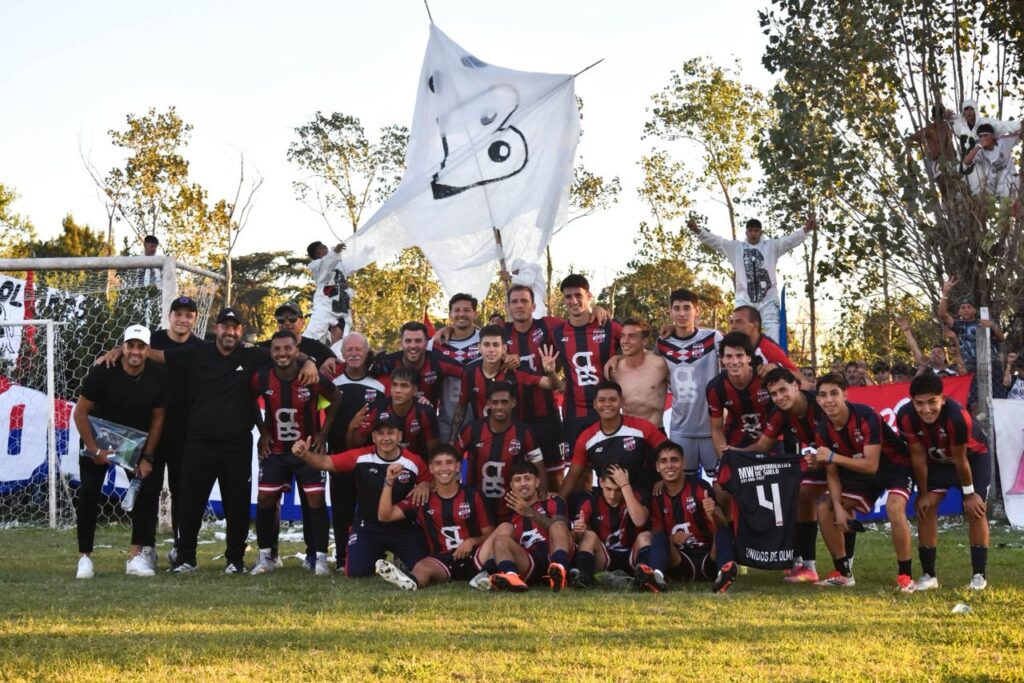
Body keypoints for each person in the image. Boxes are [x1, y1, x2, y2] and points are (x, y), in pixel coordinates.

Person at [135, 307, 319, 574]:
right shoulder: (197, 352)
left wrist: (310, 361)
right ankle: (186, 557)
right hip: (198, 442)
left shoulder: (251, 354)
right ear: (216, 328)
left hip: (236, 444)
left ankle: (235, 560)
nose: (230, 331)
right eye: (225, 326)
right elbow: (160, 356)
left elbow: (285, 352)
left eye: (235, 327)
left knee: (237, 504)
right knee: (190, 501)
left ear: (241, 331)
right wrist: (124, 351)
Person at [73, 325, 168, 579]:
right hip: (97, 440)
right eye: (130, 345)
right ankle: (84, 559)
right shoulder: (103, 371)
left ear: (148, 350)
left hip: (133, 445)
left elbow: (159, 419)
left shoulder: (158, 375)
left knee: (145, 493)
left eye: (141, 346)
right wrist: (94, 451)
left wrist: (147, 457)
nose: (135, 351)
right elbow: (79, 413)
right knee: (89, 494)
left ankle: (135, 557)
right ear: (122, 348)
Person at [291, 414, 431, 577]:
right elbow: (325, 462)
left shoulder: (414, 462)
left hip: (403, 527)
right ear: (373, 437)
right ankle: (375, 554)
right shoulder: (360, 457)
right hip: (368, 527)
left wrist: (425, 484)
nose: (385, 438)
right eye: (380, 433)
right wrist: (304, 455)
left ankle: (401, 557)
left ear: (399, 435)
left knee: (423, 566)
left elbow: (431, 482)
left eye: (390, 433)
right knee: (356, 573)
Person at [250, 331, 341, 577]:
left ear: (296, 350)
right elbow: (249, 400)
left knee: (315, 501)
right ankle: (267, 557)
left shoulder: (311, 376)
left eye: (287, 349)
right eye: (277, 349)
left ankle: (319, 559)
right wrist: (263, 431)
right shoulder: (261, 377)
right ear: (270, 351)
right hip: (276, 451)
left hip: (307, 452)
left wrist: (323, 434)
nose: (282, 354)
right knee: (266, 499)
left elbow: (336, 398)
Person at [812, 373, 915, 591]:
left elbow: (871, 465)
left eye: (834, 393)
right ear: (818, 400)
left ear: (845, 395)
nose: (828, 400)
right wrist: (839, 508)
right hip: (860, 473)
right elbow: (832, 474)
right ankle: (843, 572)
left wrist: (832, 456)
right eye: (822, 395)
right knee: (824, 506)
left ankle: (905, 575)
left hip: (895, 467)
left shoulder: (866, 415)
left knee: (894, 508)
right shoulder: (822, 429)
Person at [898, 374, 991, 591]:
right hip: (937, 462)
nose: (926, 409)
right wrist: (922, 493)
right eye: (919, 403)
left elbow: (961, 459)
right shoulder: (905, 416)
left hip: (972, 460)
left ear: (943, 398)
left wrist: (969, 494)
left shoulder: (957, 416)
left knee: (976, 511)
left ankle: (979, 575)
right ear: (912, 402)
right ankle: (929, 575)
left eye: (932, 401)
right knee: (926, 507)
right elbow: (918, 456)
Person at [747, 367, 829, 583]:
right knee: (800, 494)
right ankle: (807, 565)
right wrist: (734, 453)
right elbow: (763, 446)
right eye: (774, 394)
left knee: (837, 505)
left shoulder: (821, 404)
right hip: (824, 460)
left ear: (796, 385)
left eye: (783, 390)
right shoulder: (779, 413)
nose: (779, 397)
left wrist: (825, 458)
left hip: (846, 457)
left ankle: (844, 568)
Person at [374, 444, 494, 590]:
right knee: (422, 565)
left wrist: (471, 541)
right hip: (443, 561)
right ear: (431, 468)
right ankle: (410, 581)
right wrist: (389, 481)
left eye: (449, 463)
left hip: (475, 556)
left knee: (496, 544)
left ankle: (488, 577)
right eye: (438, 463)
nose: (444, 468)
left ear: (458, 467)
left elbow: (489, 532)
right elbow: (384, 516)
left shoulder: (473, 495)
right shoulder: (422, 497)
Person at [688, 214, 815, 342]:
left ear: (761, 232)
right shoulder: (736, 248)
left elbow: (789, 241)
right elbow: (715, 241)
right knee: (742, 329)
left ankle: (772, 360)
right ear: (746, 232)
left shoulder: (772, 246)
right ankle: (744, 359)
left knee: (772, 328)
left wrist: (805, 229)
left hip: (768, 300)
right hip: (744, 300)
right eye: (750, 230)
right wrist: (698, 231)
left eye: (756, 230)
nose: (753, 234)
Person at [148, 296, 202, 567]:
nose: (183, 319)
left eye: (188, 315)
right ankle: (146, 548)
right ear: (169, 316)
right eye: (178, 314)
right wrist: (113, 352)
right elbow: (130, 354)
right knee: (149, 489)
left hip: (186, 433)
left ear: (195, 319)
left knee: (184, 492)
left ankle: (182, 549)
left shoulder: (201, 348)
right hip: (153, 430)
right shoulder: (152, 340)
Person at [327, 332, 387, 570]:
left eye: (358, 350)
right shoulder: (332, 385)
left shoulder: (379, 386)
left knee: (371, 509)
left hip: (370, 459)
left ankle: (375, 557)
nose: (353, 354)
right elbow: (323, 416)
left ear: (366, 352)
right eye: (349, 350)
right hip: (340, 457)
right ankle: (342, 558)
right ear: (342, 354)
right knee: (341, 509)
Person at [503, 284, 570, 489]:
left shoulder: (548, 325)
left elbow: (580, 323)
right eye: (514, 301)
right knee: (515, 478)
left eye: (524, 301)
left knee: (554, 479)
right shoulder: (500, 333)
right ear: (507, 307)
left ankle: (556, 516)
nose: (519, 305)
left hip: (546, 417)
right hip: (513, 419)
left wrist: (595, 311)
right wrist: (448, 329)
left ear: (533, 306)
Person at [474, 459, 574, 592]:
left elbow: (563, 529)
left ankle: (559, 572)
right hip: (528, 561)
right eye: (517, 480)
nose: (523, 484)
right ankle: (512, 576)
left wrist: (530, 513)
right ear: (511, 485)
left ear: (537, 482)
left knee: (558, 525)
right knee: (501, 539)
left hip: (553, 554)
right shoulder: (509, 512)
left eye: (527, 478)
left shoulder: (553, 501)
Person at [448, 324, 562, 439]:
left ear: (504, 348)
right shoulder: (470, 373)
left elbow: (554, 386)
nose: (491, 350)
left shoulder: (517, 371)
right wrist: (452, 440)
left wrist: (551, 373)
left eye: (496, 345)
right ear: (479, 347)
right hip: (481, 440)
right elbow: (461, 409)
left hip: (515, 441)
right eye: (487, 345)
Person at [551, 274, 623, 456]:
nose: (573, 301)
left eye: (578, 295)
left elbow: (639, 348)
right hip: (574, 411)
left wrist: (619, 358)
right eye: (568, 297)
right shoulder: (557, 332)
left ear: (589, 296)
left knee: (611, 464)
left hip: (607, 407)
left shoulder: (608, 325)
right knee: (579, 468)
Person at [655, 288, 723, 478]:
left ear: (697, 311)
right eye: (677, 308)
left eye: (687, 308)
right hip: (681, 429)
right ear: (671, 312)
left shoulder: (713, 338)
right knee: (684, 488)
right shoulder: (662, 343)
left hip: (712, 429)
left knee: (722, 487)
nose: (682, 313)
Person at [560, 381, 666, 499]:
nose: (607, 404)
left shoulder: (642, 427)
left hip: (640, 497)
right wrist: (558, 504)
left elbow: (670, 451)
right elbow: (572, 476)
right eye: (602, 400)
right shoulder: (586, 437)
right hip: (607, 500)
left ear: (621, 402)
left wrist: (662, 479)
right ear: (595, 404)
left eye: (612, 399)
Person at [634, 442, 718, 593]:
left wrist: (714, 514)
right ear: (657, 467)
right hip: (680, 562)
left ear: (683, 462)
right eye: (664, 461)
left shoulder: (700, 487)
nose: (669, 465)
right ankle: (656, 577)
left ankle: (725, 572)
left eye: (674, 460)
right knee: (658, 536)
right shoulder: (656, 495)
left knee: (723, 530)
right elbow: (657, 533)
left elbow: (719, 525)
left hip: (708, 559)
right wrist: (672, 538)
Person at [457, 382, 544, 523]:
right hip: (476, 507)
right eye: (495, 402)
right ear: (488, 404)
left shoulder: (524, 432)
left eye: (504, 402)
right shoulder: (472, 429)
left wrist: (542, 495)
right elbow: (452, 457)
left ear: (513, 403)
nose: (499, 407)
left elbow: (538, 464)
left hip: (512, 509)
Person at [570, 464, 651, 588]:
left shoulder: (637, 495)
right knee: (588, 535)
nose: (612, 495)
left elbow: (640, 521)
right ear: (600, 482)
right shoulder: (590, 501)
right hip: (605, 557)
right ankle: (583, 578)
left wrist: (625, 486)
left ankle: (644, 580)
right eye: (608, 489)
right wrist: (577, 531)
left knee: (646, 536)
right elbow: (575, 537)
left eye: (618, 489)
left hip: (632, 555)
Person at [938, 277, 1005, 409]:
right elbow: (942, 314)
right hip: (970, 367)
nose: (966, 309)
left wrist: (992, 326)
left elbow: (1002, 338)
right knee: (974, 403)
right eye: (963, 307)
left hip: (991, 365)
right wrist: (945, 293)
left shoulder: (983, 322)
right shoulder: (958, 325)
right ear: (959, 312)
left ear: (975, 310)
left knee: (998, 401)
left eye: (969, 307)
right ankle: (977, 427)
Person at [706, 332, 772, 465]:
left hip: (772, 440)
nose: (734, 362)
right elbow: (716, 429)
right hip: (737, 442)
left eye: (739, 355)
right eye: (729, 356)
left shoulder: (766, 378)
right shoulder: (715, 388)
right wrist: (725, 460)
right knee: (719, 485)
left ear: (748, 357)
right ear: (722, 360)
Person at [348, 366, 439, 458]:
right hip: (380, 464)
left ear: (415, 390)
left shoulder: (425, 411)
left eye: (404, 386)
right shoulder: (377, 408)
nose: (397, 390)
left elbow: (433, 452)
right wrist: (352, 427)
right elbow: (354, 446)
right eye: (394, 385)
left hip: (414, 465)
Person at [429, 293, 482, 442]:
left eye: (466, 310)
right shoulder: (435, 344)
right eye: (456, 310)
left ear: (475, 314)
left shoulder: (486, 340)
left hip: (480, 421)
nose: (461, 314)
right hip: (447, 421)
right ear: (450, 314)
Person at [374, 321, 464, 408]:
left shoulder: (438, 362)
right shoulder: (387, 362)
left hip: (427, 420)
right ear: (401, 342)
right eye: (408, 341)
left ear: (426, 342)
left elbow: (469, 372)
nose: (413, 346)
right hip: (391, 421)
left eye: (418, 341)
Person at [604, 317, 669, 428]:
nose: (625, 341)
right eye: (623, 336)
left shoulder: (660, 364)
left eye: (632, 336)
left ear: (644, 341)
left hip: (655, 431)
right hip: (629, 435)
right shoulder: (614, 369)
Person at [728, 305, 809, 386]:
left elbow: (802, 379)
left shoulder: (769, 348)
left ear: (755, 325)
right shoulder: (728, 346)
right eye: (731, 322)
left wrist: (777, 369)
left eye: (739, 322)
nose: (733, 327)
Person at [258, 301, 338, 374]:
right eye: (281, 319)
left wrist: (331, 358)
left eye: (292, 319)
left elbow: (338, 362)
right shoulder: (263, 347)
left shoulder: (316, 347)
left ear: (302, 322)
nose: (287, 323)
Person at [304, 241, 353, 343]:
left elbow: (345, 270)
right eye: (322, 248)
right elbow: (326, 267)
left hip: (341, 306)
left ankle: (336, 356)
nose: (326, 248)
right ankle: (304, 351)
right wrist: (335, 252)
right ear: (316, 254)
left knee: (342, 339)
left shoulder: (337, 264)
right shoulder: (318, 265)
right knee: (315, 333)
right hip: (325, 304)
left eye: (325, 246)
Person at [907, 104, 958, 197]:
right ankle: (947, 207)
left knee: (958, 191)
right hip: (938, 164)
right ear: (933, 117)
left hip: (953, 163)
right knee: (946, 192)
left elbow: (962, 120)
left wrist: (949, 115)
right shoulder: (929, 130)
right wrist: (909, 154)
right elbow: (910, 139)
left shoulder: (948, 124)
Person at [961, 122, 1020, 199]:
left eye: (985, 135)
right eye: (980, 136)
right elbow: (966, 162)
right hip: (996, 189)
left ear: (992, 136)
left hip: (1012, 184)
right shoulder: (979, 151)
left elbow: (1020, 135)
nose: (983, 138)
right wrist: (978, 147)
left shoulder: (1003, 142)